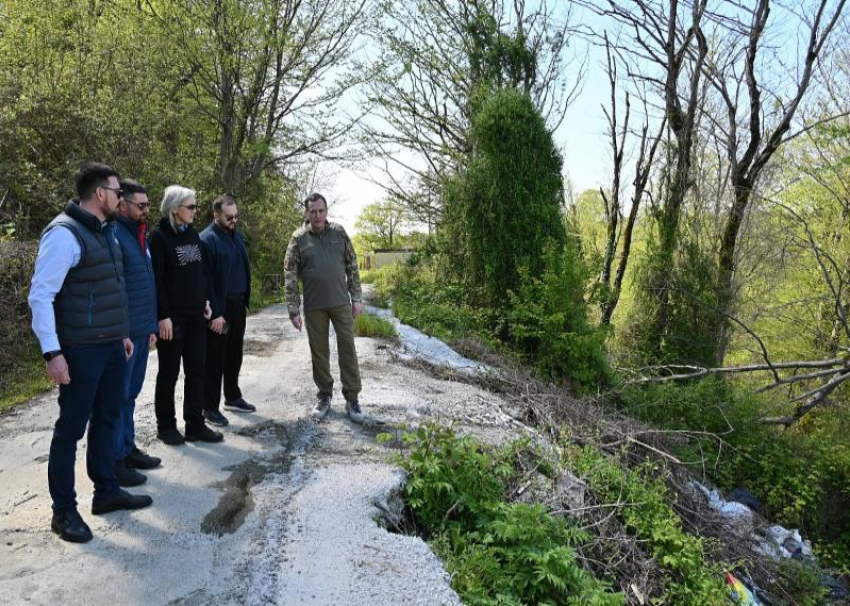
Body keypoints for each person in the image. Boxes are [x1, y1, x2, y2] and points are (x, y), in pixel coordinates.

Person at [28, 162, 153, 544]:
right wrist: (52, 352)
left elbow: (112, 289)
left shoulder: (106, 232)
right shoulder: (64, 235)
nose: (121, 198)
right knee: (70, 429)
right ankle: (64, 512)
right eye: (117, 192)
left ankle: (106, 491)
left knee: (109, 418)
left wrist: (121, 335)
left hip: (111, 344)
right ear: (100, 193)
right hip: (80, 349)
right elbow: (41, 296)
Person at [149, 185, 223, 445]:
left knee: (196, 371)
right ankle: (166, 426)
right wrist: (162, 315)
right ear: (174, 208)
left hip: (196, 316)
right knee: (169, 374)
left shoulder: (192, 233)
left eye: (195, 206)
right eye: (190, 206)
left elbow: (201, 273)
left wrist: (206, 301)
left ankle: (195, 425)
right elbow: (156, 281)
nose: (195, 211)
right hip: (173, 320)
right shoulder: (158, 237)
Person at [283, 193, 365, 423]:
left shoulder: (339, 233)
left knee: (347, 349)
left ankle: (352, 398)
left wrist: (357, 297)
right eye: (313, 212)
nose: (317, 215)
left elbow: (352, 265)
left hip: (340, 302)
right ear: (307, 213)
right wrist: (293, 309)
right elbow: (290, 274)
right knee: (319, 352)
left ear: (326, 211)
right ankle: (324, 396)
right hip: (314, 305)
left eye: (321, 211)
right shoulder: (298, 238)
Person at [112, 179, 161, 486]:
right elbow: (117, 288)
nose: (146, 210)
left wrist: (151, 326)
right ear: (122, 205)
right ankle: (116, 460)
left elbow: (146, 282)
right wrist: (123, 332)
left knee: (130, 395)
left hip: (142, 330)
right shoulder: (116, 236)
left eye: (147, 204)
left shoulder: (139, 234)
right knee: (118, 398)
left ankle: (128, 449)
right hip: (125, 334)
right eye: (140, 205)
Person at [200, 194, 256, 427]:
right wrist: (214, 313)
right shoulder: (207, 239)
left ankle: (232, 396)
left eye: (235, 216)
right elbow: (205, 281)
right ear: (216, 215)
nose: (233, 220)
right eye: (228, 217)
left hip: (238, 305)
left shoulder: (237, 237)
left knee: (234, 354)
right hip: (219, 308)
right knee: (215, 358)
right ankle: (209, 408)